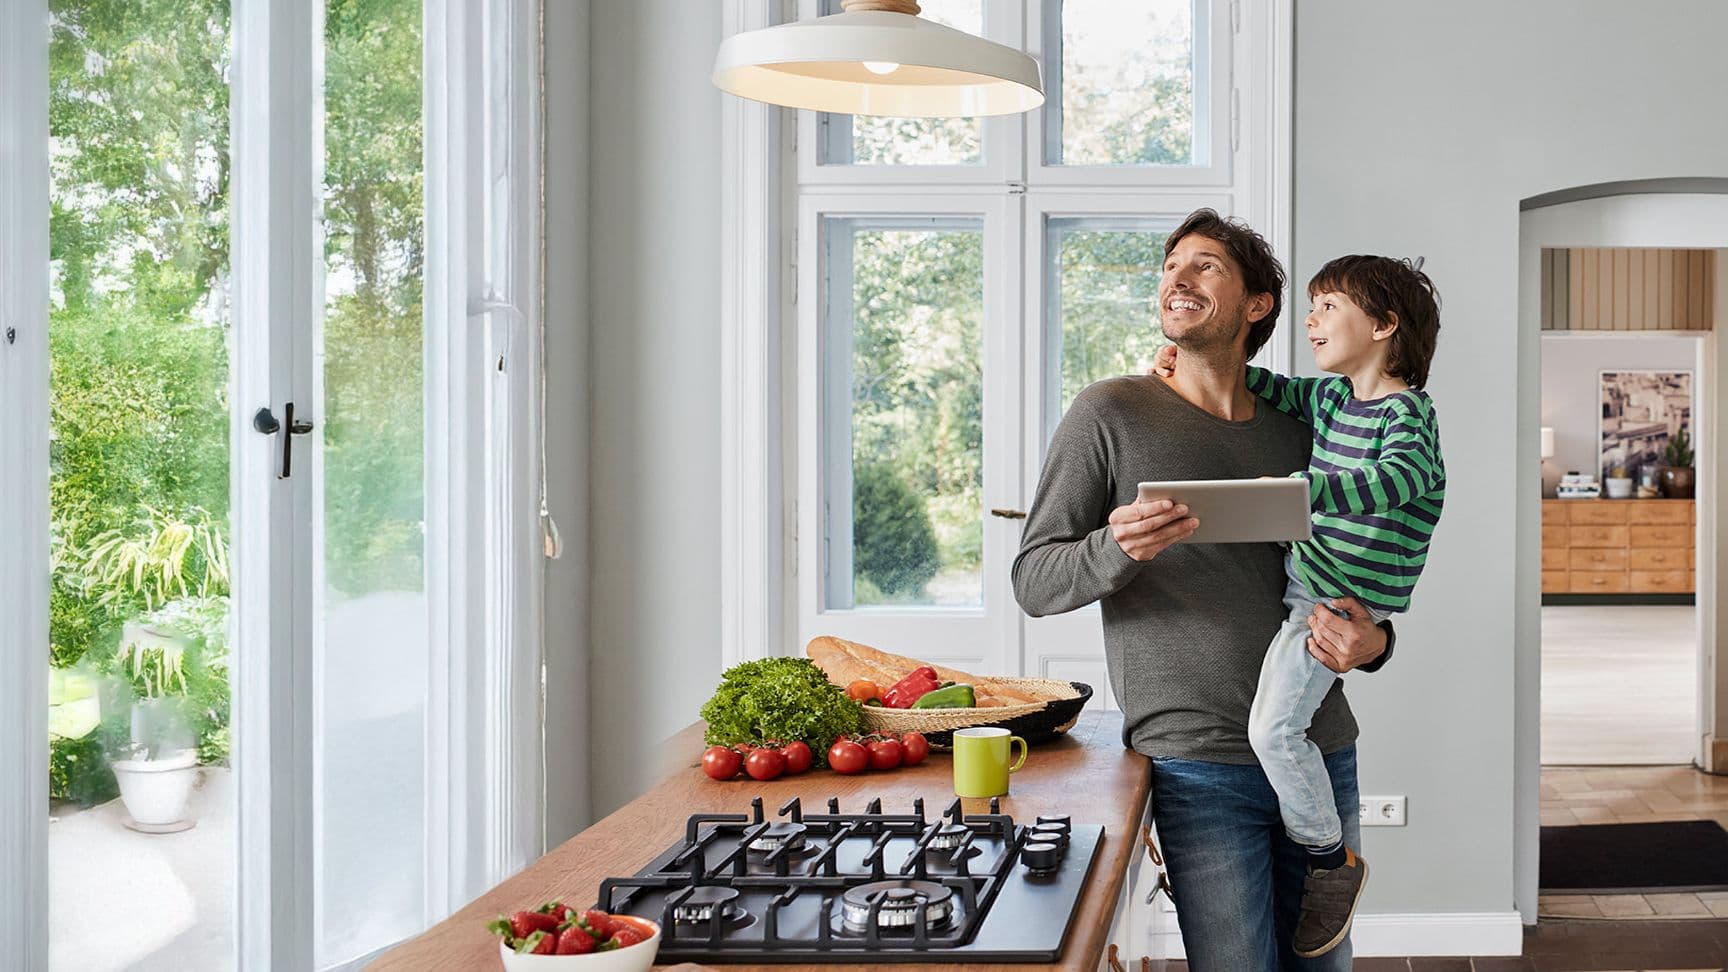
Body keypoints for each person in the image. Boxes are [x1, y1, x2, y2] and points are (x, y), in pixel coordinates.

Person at [1012, 209, 1397, 971]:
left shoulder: (1304, 428)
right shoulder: (1110, 413)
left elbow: (1362, 561)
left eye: (1206, 265)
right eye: (1169, 265)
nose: (1176, 278)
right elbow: (1035, 581)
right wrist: (1115, 546)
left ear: (1257, 305)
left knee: (1326, 967)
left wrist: (1377, 643)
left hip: (1318, 749)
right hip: (1195, 768)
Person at [1151, 254, 1445, 957]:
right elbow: (1271, 386)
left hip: (1329, 608)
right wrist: (1180, 366)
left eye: (1328, 307)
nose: (1310, 321)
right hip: (1311, 592)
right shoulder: (1336, 399)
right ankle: (1324, 857)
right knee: (1277, 730)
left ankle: (1328, 864)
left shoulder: (1407, 417)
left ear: (1383, 325)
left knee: (1274, 734)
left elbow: (1401, 479)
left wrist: (1301, 494)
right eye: (1309, 307)